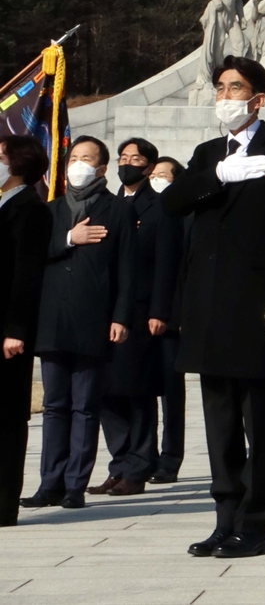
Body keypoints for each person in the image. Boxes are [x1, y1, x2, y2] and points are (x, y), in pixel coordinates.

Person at [162, 55, 265, 558]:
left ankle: (256, 524)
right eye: (220, 87)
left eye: (235, 87)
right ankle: (225, 519)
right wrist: (219, 174)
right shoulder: (208, 154)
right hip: (207, 304)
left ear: (258, 98)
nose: (225, 96)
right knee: (219, 420)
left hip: (255, 305)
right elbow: (173, 202)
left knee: (255, 421)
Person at [22, 136, 136, 510]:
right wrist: (70, 237)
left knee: (85, 404)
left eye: (87, 159)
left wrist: (120, 317)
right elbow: (33, 256)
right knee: (55, 404)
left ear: (102, 168)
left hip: (94, 318)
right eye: (74, 157)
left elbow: (126, 268)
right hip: (52, 318)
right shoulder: (50, 210)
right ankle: (49, 482)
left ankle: (75, 484)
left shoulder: (116, 209)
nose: (79, 164)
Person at [88, 139, 183, 498]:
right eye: (123, 158)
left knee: (136, 389)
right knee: (107, 391)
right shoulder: (109, 205)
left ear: (148, 166)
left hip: (142, 312)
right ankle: (119, 462)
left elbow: (167, 264)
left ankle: (139, 464)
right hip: (104, 310)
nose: (127, 164)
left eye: (136, 159)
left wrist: (161, 310)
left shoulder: (161, 208)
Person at [0, 135, 53, 526]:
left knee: (6, 418)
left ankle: (4, 503)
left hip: (8, 332)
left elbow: (26, 275)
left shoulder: (30, 210)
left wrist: (16, 329)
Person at [147, 156, 189, 484]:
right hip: (137, 317)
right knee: (139, 391)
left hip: (171, 320)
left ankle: (170, 457)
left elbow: (185, 271)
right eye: (154, 174)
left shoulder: (185, 215)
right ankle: (141, 456)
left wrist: (176, 315)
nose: (157, 179)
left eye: (164, 175)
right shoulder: (137, 211)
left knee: (171, 394)